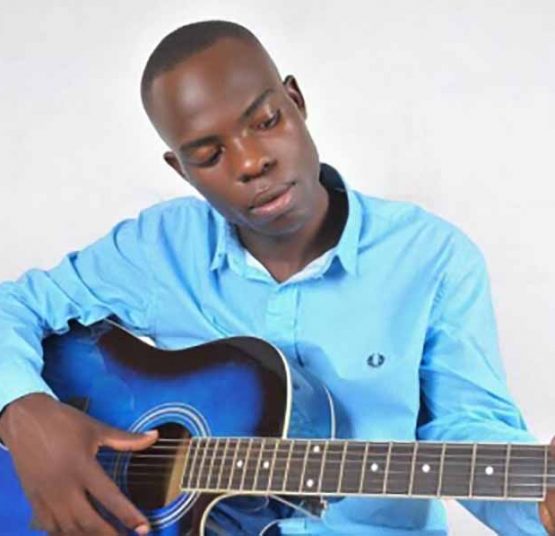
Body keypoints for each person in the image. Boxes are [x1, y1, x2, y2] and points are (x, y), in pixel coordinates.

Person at [0, 19, 553, 535]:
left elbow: (467, 426)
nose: (250, 163)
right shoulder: (157, 246)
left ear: (296, 100)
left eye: (266, 122)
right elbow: (14, 306)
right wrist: (24, 411)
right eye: (209, 155)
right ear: (181, 170)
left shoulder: (432, 257)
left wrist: (541, 503)